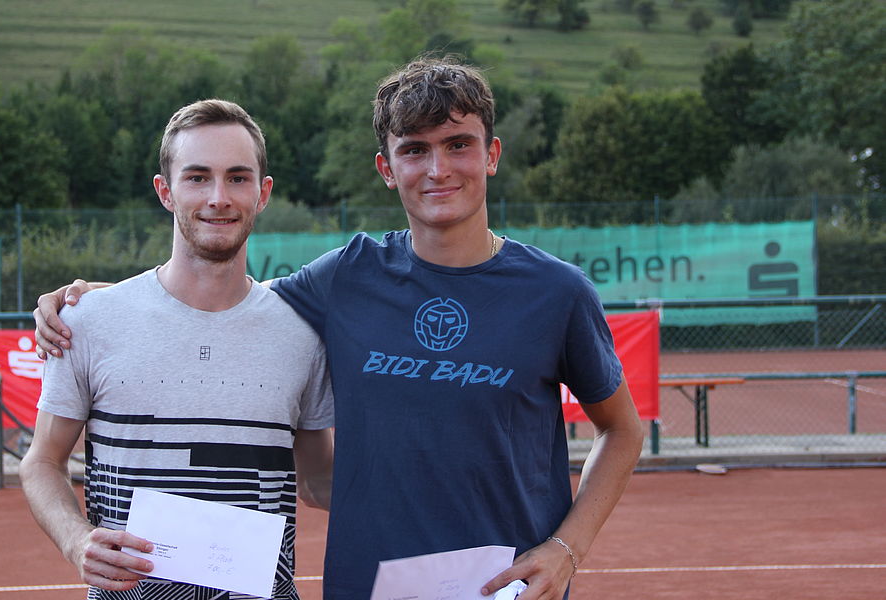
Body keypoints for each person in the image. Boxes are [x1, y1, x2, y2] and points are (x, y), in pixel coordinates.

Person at [35, 57, 644, 600]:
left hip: (504, 588)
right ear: (387, 167)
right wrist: (103, 299)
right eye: (415, 150)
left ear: (491, 154)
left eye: (458, 144)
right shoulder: (349, 275)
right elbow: (221, 293)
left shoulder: (558, 293)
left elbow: (621, 429)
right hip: (368, 585)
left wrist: (567, 549)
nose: (438, 169)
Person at [19, 99, 335, 600]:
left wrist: (442, 503)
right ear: (165, 191)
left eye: (237, 178)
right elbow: (42, 462)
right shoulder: (87, 320)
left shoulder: (302, 331)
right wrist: (77, 541)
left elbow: (319, 482)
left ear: (263, 192)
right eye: (197, 178)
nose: (218, 197)